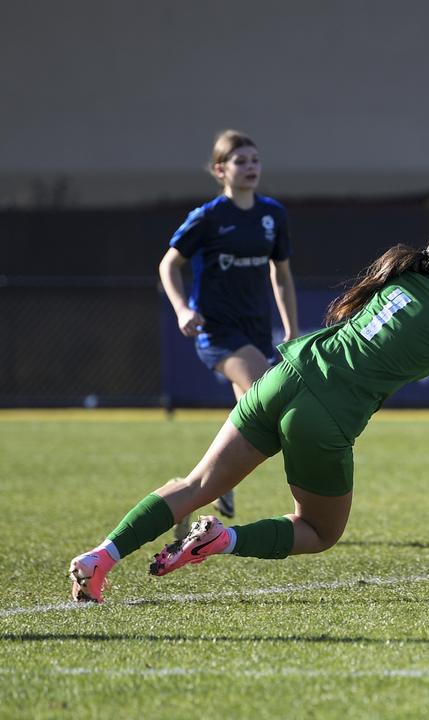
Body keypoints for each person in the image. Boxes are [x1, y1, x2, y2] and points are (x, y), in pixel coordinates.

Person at [69, 221, 429, 603]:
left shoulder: (412, 275)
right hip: (325, 417)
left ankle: (101, 557)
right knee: (320, 531)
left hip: (284, 377)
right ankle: (222, 541)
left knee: (195, 483)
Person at [158, 130, 300, 530]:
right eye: (241, 161)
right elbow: (168, 265)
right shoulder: (208, 217)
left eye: (255, 159)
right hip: (217, 331)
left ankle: (186, 492)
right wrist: (183, 308)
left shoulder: (272, 215)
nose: (250, 167)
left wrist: (290, 329)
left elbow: (283, 276)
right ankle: (200, 487)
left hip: (256, 330)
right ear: (221, 169)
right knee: (268, 396)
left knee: (255, 423)